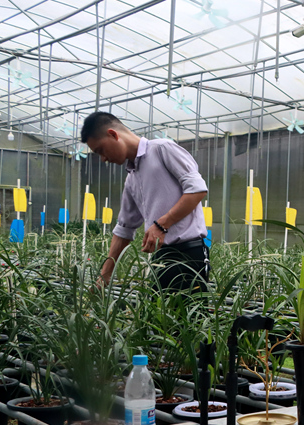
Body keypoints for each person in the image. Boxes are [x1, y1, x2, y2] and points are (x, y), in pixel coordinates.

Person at [80, 112, 210, 292]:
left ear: (113, 134)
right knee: (159, 317)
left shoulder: (162, 149)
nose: (103, 159)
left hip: (189, 255)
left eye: (100, 150)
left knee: (187, 317)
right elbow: (124, 228)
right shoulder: (131, 179)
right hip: (160, 258)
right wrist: (105, 275)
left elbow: (197, 189)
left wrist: (161, 225)